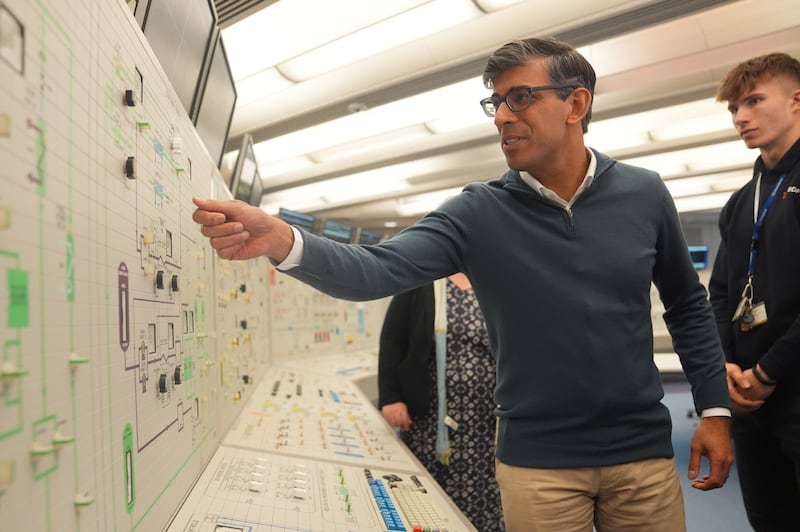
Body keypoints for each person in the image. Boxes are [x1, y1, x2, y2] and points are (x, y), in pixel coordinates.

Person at [193, 36, 733, 531]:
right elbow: (375, 270)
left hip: (641, 454)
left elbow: (687, 305)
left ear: (576, 104)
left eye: (519, 97)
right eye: (494, 102)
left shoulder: (645, 193)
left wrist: (713, 409)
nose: (501, 116)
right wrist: (284, 239)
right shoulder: (477, 212)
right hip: (537, 464)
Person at [708, 52, 800, 531]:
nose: (741, 117)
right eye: (733, 109)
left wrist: (767, 371)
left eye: (754, 101)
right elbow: (721, 292)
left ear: (796, 101)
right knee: (769, 520)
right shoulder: (743, 201)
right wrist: (726, 365)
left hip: (790, 388)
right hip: (749, 400)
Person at [378, 273, 504, 531]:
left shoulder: (496, 282)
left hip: (484, 427)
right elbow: (392, 341)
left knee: (484, 501)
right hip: (430, 423)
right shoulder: (419, 282)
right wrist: (391, 398)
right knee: (427, 505)